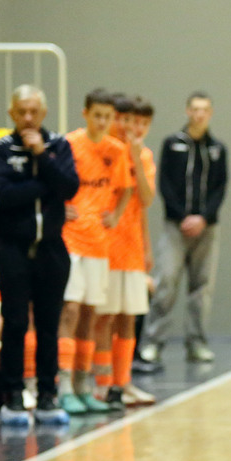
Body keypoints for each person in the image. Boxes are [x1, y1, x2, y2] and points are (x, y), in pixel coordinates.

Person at [0, 85, 81, 425]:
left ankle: (47, 394)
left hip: (50, 249)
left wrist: (42, 156)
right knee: (15, 321)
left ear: (43, 113)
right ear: (12, 113)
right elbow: (5, 194)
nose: (28, 118)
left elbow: (70, 187)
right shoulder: (3, 148)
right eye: (21, 112)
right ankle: (13, 395)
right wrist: (46, 185)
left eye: (34, 111)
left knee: (48, 323)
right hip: (12, 247)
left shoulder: (59, 145)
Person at [137, 92, 228, 368]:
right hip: (175, 227)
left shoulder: (217, 148)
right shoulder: (172, 144)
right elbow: (164, 184)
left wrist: (203, 218)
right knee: (165, 283)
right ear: (187, 111)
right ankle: (152, 343)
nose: (199, 114)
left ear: (210, 113)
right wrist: (182, 216)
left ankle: (197, 343)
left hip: (207, 229)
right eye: (195, 109)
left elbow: (219, 188)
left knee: (201, 288)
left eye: (204, 110)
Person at [57, 88, 134, 415]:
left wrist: (115, 215)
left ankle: (83, 386)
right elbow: (51, 181)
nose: (102, 121)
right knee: (70, 310)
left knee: (90, 314)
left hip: (99, 243)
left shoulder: (116, 150)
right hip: (71, 239)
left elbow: (126, 188)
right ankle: (62, 387)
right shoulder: (69, 145)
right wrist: (58, 208)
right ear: (85, 114)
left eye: (107, 116)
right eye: (97, 115)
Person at [93, 95, 156, 408]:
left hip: (131, 248)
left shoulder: (143, 155)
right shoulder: (103, 150)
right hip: (104, 245)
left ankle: (124, 382)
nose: (132, 127)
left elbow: (145, 200)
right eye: (126, 119)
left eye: (139, 122)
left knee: (128, 318)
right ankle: (103, 385)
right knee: (104, 318)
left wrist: (147, 247)